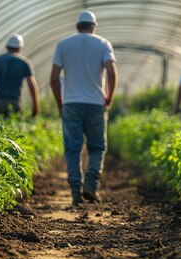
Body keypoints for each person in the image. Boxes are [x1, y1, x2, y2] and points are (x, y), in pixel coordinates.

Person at [50, 10, 118, 206]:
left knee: (73, 149)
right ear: (93, 26)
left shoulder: (63, 44)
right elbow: (112, 73)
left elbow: (54, 78)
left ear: (77, 26)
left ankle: (75, 192)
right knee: (97, 147)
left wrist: (60, 103)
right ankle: (91, 185)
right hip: (96, 103)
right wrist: (109, 97)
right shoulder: (103, 44)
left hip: (70, 103)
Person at [0, 34, 39, 118]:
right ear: (19, 48)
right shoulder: (24, 62)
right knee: (14, 129)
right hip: (16, 103)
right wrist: (35, 105)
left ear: (7, 46)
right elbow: (32, 85)